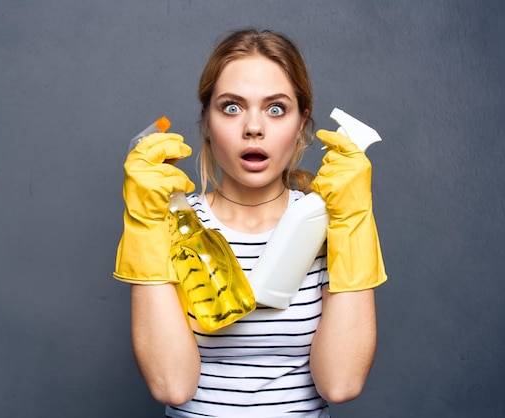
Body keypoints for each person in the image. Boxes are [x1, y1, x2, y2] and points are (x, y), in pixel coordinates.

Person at [113, 29, 387, 417]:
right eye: (231, 107)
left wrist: (354, 222)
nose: (253, 128)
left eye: (276, 108)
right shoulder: (170, 224)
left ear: (302, 123)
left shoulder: (333, 225)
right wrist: (145, 227)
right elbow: (171, 384)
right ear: (206, 122)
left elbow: (340, 384)